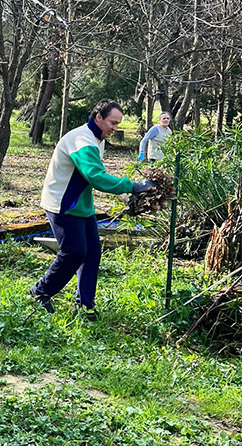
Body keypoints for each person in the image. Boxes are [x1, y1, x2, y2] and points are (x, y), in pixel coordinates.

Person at [30, 99, 155, 318]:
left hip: (81, 205)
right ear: (98, 117)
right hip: (62, 204)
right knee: (74, 252)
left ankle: (85, 305)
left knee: (92, 253)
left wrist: (124, 194)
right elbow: (95, 176)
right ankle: (40, 292)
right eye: (112, 123)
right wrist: (132, 186)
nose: (115, 128)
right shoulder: (82, 140)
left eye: (117, 124)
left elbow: (91, 175)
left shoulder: (97, 138)